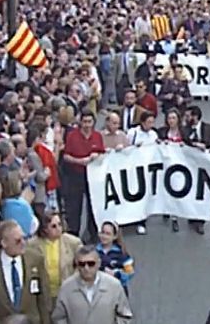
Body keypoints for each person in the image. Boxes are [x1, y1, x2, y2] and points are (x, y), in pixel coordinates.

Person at [0, 221, 52, 324]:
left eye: (24, 238)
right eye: (18, 241)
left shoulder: (36, 259)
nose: (23, 243)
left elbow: (43, 299)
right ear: (4, 243)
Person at [51, 245, 133, 324]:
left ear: (99, 263)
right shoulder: (67, 288)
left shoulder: (114, 285)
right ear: (77, 265)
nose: (86, 268)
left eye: (91, 264)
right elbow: (59, 317)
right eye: (82, 264)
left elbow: (124, 315)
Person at [62, 111, 104, 243]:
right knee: (75, 207)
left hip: (93, 176)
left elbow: (103, 154)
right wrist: (79, 161)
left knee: (93, 205)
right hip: (76, 175)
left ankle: (92, 233)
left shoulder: (97, 136)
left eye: (89, 122)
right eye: (84, 122)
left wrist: (97, 156)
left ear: (93, 123)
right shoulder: (72, 136)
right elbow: (65, 156)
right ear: (80, 122)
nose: (86, 125)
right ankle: (73, 234)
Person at [25, 211, 83, 303]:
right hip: (43, 295)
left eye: (60, 224)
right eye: (53, 226)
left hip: (67, 292)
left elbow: (81, 264)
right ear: (44, 229)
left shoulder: (73, 242)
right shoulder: (32, 244)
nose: (58, 228)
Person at [96, 221, 135, 296]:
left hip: (117, 290)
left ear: (114, 236)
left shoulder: (121, 254)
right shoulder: (95, 251)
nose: (104, 236)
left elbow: (130, 272)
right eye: (102, 232)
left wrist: (117, 274)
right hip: (99, 289)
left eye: (108, 234)